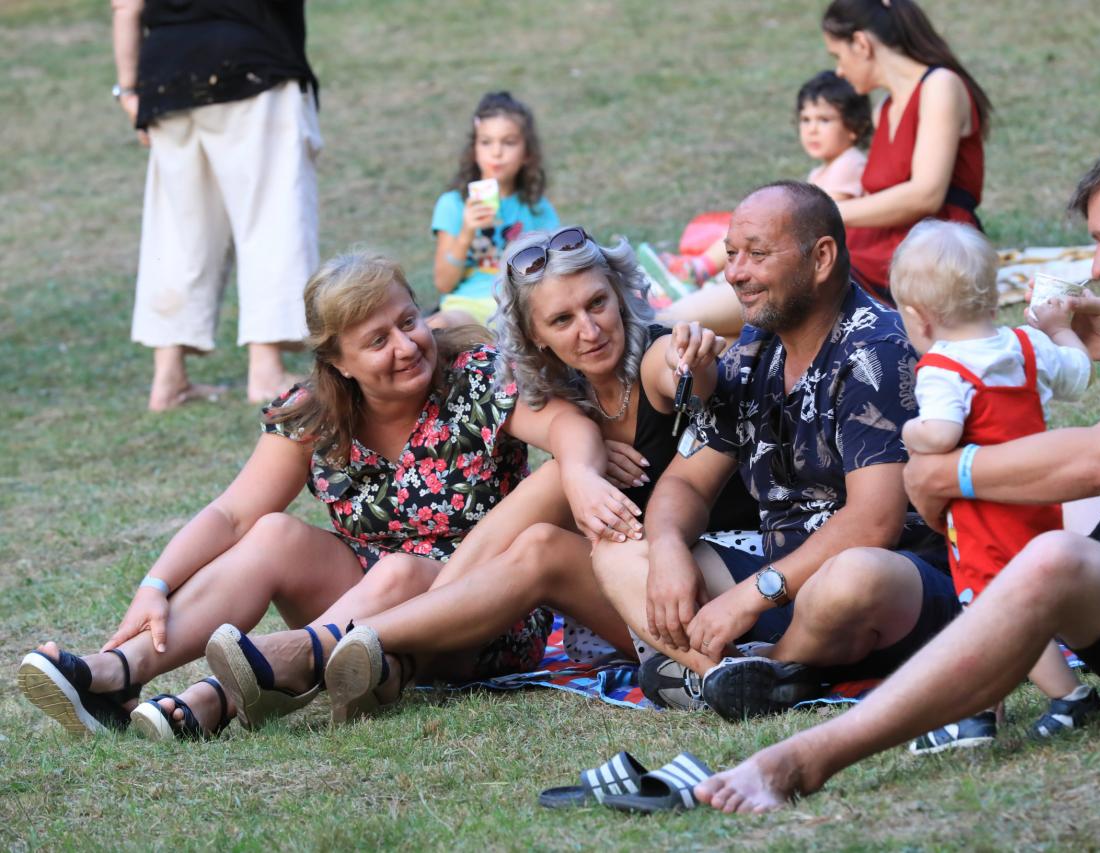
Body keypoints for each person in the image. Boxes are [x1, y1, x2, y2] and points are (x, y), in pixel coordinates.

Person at [695, 124, 1100, 813]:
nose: (1098, 265)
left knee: (1050, 556)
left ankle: (808, 755)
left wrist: (953, 473)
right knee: (1038, 511)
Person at [17, 250, 639, 739]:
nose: (406, 346)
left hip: (482, 615)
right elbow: (232, 514)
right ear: (338, 361)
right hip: (361, 606)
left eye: (408, 321)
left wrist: (581, 473)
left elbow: (568, 426)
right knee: (273, 534)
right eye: (377, 340)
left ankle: (222, 694)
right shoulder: (315, 413)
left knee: (398, 572)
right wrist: (155, 584)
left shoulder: (473, 379)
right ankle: (117, 673)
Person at [205, 228, 762, 724]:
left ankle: (322, 649)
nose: (589, 330)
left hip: (713, 579)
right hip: (637, 591)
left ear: (619, 296)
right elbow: (458, 329)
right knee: (541, 528)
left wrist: (694, 361)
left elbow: (685, 371)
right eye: (562, 319)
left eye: (598, 303)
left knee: (542, 539)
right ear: (536, 335)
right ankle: (373, 656)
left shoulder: (654, 356)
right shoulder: (567, 389)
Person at [592, 180, 962, 720]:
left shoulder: (876, 350)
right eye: (731, 255)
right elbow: (686, 482)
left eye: (757, 255)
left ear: (822, 258)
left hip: (892, 589)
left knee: (853, 575)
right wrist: (667, 547)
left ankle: (773, 667)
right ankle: (727, 676)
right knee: (618, 551)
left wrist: (749, 597)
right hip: (785, 584)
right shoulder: (754, 350)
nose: (735, 273)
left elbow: (874, 521)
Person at [891, 219, 1100, 753]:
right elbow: (1079, 374)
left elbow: (942, 434)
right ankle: (980, 712)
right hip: (1035, 497)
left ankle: (1072, 699)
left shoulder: (941, 368)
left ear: (919, 316)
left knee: (998, 608)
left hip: (985, 513)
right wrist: (1058, 330)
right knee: (995, 607)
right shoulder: (1028, 346)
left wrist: (910, 430)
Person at [111, 0, 323, 411]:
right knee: (270, 216)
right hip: (253, 60)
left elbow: (126, 6)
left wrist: (129, 89)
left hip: (166, 73)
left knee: (177, 230)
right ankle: (266, 370)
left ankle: (169, 377)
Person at [644, 71, 874, 337]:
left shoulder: (850, 163)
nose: (812, 129)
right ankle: (695, 278)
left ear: (855, 127)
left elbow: (818, 223)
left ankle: (692, 276)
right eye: (805, 119)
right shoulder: (824, 171)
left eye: (824, 120)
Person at [820, 0, 992, 305]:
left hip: (932, 251)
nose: (840, 70)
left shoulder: (940, 85)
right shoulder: (884, 109)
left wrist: (822, 212)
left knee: (792, 282)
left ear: (861, 44)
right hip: (880, 247)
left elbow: (926, 195)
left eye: (838, 55)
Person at [429, 92, 559, 329]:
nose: (496, 152)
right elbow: (443, 283)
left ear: (527, 153)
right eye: (486, 142)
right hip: (468, 306)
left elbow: (554, 271)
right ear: (474, 149)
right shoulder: (453, 204)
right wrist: (466, 232)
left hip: (521, 305)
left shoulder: (537, 208)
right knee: (438, 326)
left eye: (508, 142)